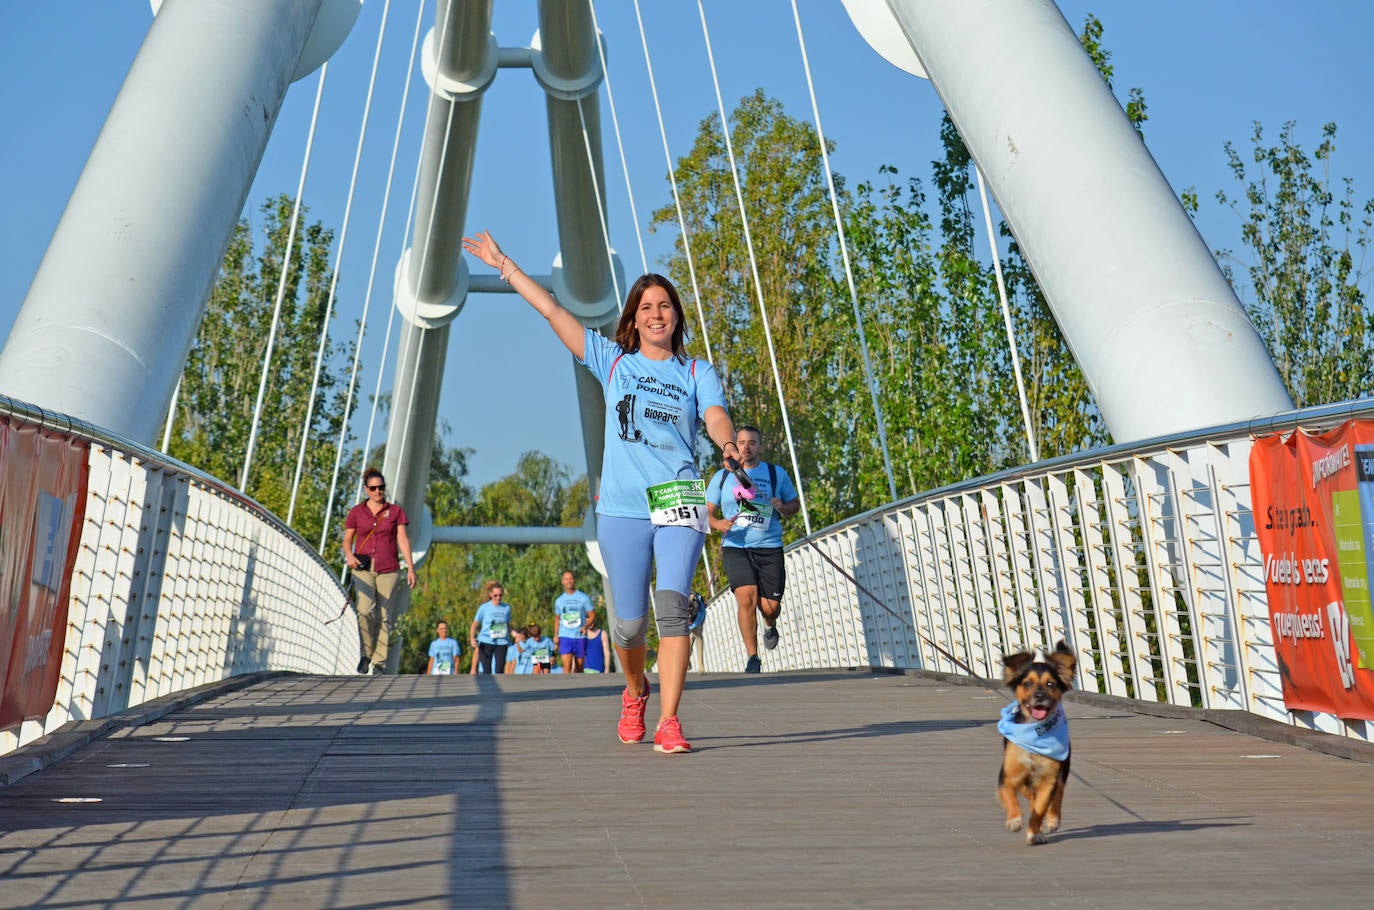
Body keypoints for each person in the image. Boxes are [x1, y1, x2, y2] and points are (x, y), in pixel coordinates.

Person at [462, 230, 737, 755]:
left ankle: (671, 721)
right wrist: (505, 265)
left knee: (673, 607)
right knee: (629, 627)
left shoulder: (696, 371)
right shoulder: (612, 361)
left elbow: (716, 415)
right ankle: (635, 691)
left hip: (677, 496)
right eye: (647, 307)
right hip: (622, 507)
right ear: (633, 318)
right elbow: (553, 311)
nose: (657, 314)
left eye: (666, 306)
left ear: (677, 316)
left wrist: (725, 445)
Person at [706, 425, 801, 673]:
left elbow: (794, 506)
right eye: (741, 442)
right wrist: (718, 524)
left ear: (760, 446)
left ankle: (770, 624)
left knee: (770, 607)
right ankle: (753, 657)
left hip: (769, 546)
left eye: (752, 442)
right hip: (736, 546)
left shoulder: (775, 473)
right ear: (734, 446)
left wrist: (783, 506)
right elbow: (705, 515)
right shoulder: (722, 477)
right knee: (746, 598)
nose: (746, 447)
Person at [342, 467, 418, 675]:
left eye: (381, 488)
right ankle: (365, 654)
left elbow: (402, 539)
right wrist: (349, 555)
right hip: (363, 568)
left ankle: (379, 662)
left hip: (389, 569)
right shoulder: (357, 512)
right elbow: (348, 540)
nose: (378, 492)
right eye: (373, 488)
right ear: (366, 490)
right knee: (365, 610)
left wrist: (410, 567)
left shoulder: (395, 512)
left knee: (384, 616)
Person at [554, 570, 595, 674]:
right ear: (562, 581)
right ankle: (566, 689)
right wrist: (556, 635)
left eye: (571, 578)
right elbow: (557, 619)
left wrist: (586, 626)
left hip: (579, 636)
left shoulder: (583, 598)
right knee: (567, 667)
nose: (569, 581)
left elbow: (592, 615)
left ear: (574, 580)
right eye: (566, 579)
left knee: (579, 667)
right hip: (565, 636)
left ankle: (579, 688)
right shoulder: (559, 600)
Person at [469, 581, 513, 674]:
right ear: (490, 594)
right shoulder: (484, 607)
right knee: (487, 671)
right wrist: (472, 639)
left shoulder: (506, 608)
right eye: (495, 595)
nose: (498, 598)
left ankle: (498, 688)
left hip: (501, 642)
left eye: (500, 595)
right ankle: (488, 688)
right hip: (486, 641)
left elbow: (508, 624)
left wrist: (513, 634)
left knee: (499, 671)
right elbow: (475, 624)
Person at [688, 592, 708, 673]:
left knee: (698, 635)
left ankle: (701, 664)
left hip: (696, 614)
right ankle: (686, 658)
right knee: (686, 640)